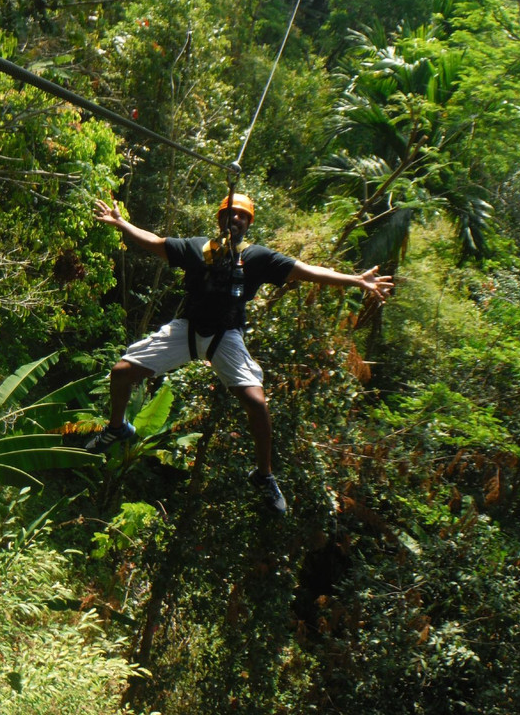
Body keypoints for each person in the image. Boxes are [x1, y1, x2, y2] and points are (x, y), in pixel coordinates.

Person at [86, 192, 393, 514]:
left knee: (257, 404)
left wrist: (357, 280)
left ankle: (263, 475)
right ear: (220, 219)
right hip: (187, 329)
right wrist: (122, 224)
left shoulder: (258, 257)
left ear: (248, 223)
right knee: (121, 373)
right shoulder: (196, 248)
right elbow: (156, 243)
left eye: (243, 216)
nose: (236, 219)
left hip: (225, 336)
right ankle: (118, 427)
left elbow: (307, 270)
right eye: (231, 214)